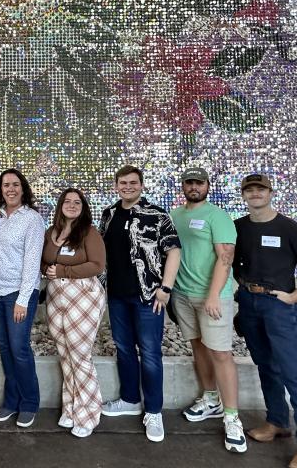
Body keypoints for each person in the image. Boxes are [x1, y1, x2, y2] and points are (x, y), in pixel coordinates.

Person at [99, 165, 181, 443]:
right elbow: (102, 255)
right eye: (123, 183)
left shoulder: (157, 215)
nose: (128, 187)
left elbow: (174, 251)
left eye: (133, 183)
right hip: (117, 296)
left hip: (148, 297)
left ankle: (154, 411)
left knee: (149, 352)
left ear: (141, 185)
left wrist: (165, 288)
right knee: (123, 348)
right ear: (116, 185)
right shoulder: (108, 215)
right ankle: (130, 399)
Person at [170, 167, 246, 453]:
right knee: (199, 348)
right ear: (183, 186)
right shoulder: (175, 216)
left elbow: (225, 258)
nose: (194, 187)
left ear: (207, 186)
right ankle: (210, 398)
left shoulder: (218, 216)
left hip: (213, 297)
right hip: (183, 295)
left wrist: (214, 295)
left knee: (222, 354)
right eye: (189, 182)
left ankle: (232, 417)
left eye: (198, 183)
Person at [233, 174, 297, 468]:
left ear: (271, 193)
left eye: (261, 189)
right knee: (266, 366)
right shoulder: (239, 228)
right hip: (248, 302)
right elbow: (229, 263)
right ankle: (277, 421)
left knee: (291, 372)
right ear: (244, 195)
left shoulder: (289, 228)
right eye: (250, 190)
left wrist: (293, 297)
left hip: (278, 305)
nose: (255, 194)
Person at [0, 168, 44, 428]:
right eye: (6, 185)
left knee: (19, 349)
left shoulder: (32, 219)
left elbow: (32, 261)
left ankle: (29, 403)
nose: (11, 189)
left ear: (23, 188)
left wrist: (22, 298)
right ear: (0, 189)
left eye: (15, 184)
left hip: (19, 294)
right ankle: (11, 401)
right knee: (5, 348)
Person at [42, 188, 106, 438]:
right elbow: (43, 261)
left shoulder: (89, 232)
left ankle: (89, 413)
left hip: (84, 296)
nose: (71, 205)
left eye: (76, 202)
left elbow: (97, 265)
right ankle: (71, 408)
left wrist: (62, 272)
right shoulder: (51, 232)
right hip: (56, 297)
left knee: (80, 355)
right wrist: (49, 269)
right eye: (67, 201)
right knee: (65, 355)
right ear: (60, 206)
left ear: (83, 207)